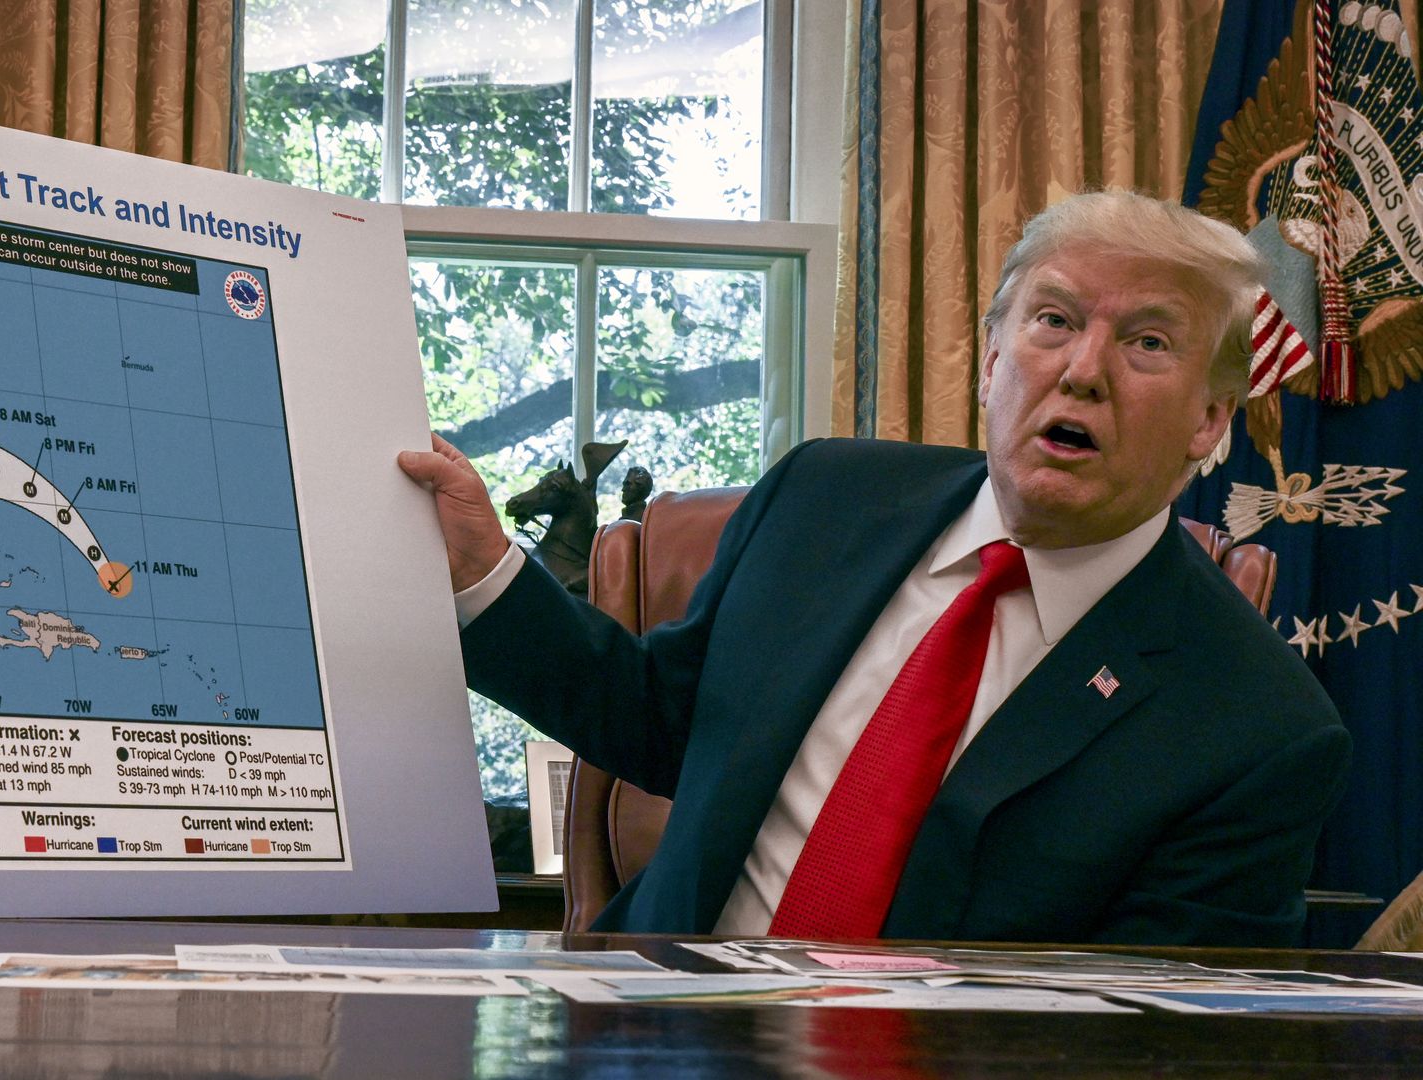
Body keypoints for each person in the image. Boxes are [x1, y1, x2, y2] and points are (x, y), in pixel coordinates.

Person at [398, 191, 1350, 947]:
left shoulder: (1258, 730)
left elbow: (1148, 1049)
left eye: (1148, 342)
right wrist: (486, 569)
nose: (1084, 369)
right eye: (1052, 320)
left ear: (1210, 420)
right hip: (645, 1035)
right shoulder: (826, 498)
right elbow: (662, 724)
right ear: (988, 362)